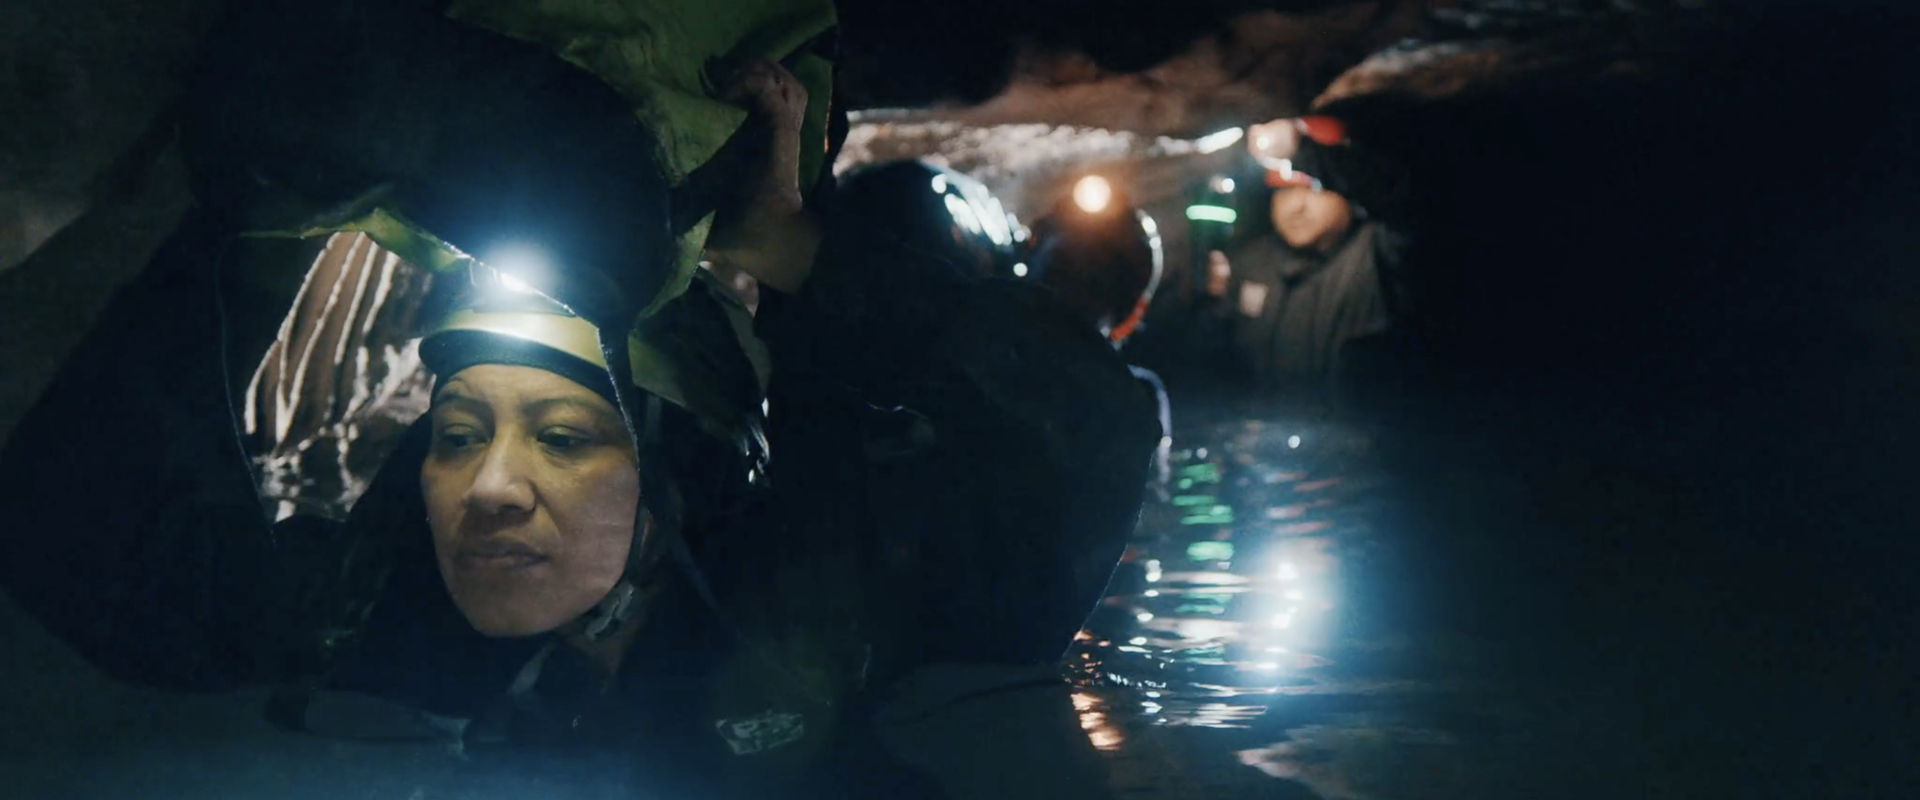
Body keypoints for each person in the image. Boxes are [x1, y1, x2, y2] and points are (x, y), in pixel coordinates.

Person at [0, 4, 1157, 798]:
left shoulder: (847, 631)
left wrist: (237, 226)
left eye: (551, 433)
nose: (491, 485)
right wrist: (256, 236)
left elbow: (1098, 423)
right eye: (460, 430)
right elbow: (1093, 428)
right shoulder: (422, 610)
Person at [1210, 117, 1411, 415]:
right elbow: (1211, 368)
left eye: (1314, 189)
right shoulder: (1248, 264)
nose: (1296, 207)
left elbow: (1403, 198)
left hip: (1356, 440)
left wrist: (1303, 151)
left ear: (1345, 191)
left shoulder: (1378, 255)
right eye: (1285, 192)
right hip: (1259, 435)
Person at [1025, 186, 1173, 494]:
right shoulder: (1011, 375)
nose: (1074, 292)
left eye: (1090, 283)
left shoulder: (1137, 392)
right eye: (1062, 276)